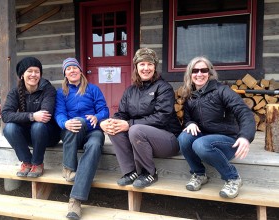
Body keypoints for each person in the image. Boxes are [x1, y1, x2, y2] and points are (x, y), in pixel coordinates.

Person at [100, 48, 182, 189]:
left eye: (149, 64)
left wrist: (130, 124)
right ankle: (130, 172)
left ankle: (149, 172)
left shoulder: (163, 88)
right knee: (115, 128)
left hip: (168, 140)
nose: (146, 68)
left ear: (155, 67)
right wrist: (109, 122)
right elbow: (122, 114)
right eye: (142, 64)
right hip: (140, 140)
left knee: (135, 129)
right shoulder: (130, 91)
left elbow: (162, 117)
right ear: (136, 67)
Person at [178, 56, 256, 199]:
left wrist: (245, 136)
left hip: (227, 141)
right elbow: (187, 119)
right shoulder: (190, 97)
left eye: (204, 70)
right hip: (205, 141)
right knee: (183, 138)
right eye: (195, 70)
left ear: (210, 73)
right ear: (190, 74)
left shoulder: (222, 91)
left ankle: (233, 178)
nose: (199, 74)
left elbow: (244, 112)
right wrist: (191, 123)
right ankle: (199, 174)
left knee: (200, 143)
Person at [55, 57, 109, 220]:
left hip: (93, 131)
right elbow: (59, 113)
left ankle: (75, 201)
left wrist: (97, 117)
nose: (72, 71)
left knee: (94, 145)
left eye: (74, 68)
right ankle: (69, 167)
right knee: (75, 122)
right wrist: (65, 123)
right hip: (72, 133)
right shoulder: (61, 92)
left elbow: (104, 109)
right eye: (68, 69)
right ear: (65, 73)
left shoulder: (93, 89)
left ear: (80, 70)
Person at [2, 56, 61, 178]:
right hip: (28, 136)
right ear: (22, 74)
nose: (34, 74)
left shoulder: (48, 90)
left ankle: (38, 163)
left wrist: (30, 118)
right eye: (30, 71)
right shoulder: (15, 92)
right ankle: (27, 162)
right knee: (9, 128)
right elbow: (6, 115)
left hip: (47, 135)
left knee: (38, 126)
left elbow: (45, 115)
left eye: (37, 71)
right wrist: (32, 116)